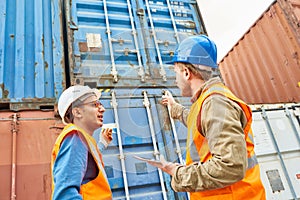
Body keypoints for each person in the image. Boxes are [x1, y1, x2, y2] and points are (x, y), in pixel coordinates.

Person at [152, 35, 266, 199]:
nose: (174, 78)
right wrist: (175, 108)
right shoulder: (207, 101)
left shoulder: (215, 103)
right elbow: (198, 121)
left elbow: (230, 166)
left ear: (186, 73)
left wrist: (179, 174)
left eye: (175, 71)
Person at [51, 85, 113, 200]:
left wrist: (103, 143)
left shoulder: (81, 140)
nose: (103, 109)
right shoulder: (75, 137)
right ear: (77, 112)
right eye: (95, 104)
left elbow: (87, 168)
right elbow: (64, 196)